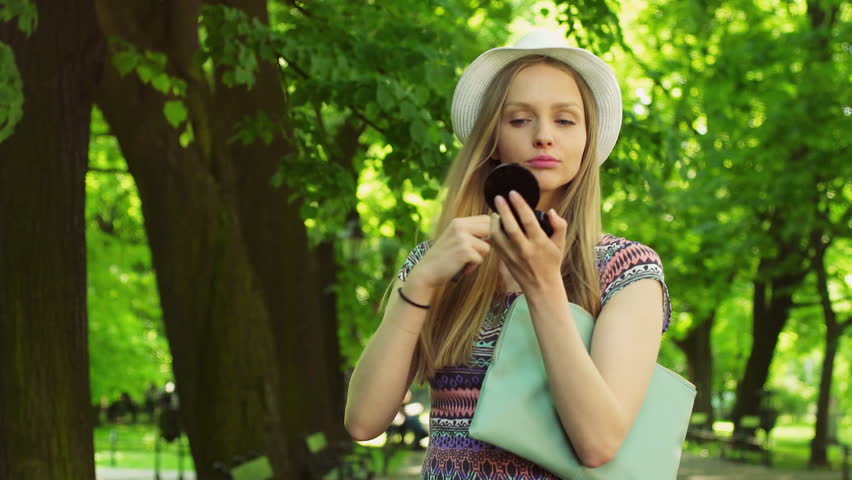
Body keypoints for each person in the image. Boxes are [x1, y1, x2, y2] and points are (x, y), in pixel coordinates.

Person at [344, 30, 671, 479]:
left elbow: (598, 443)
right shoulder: (439, 261)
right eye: (519, 120)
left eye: (565, 120)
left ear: (587, 140)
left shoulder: (626, 270)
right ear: (492, 140)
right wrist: (419, 282)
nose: (543, 137)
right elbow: (363, 421)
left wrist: (543, 288)